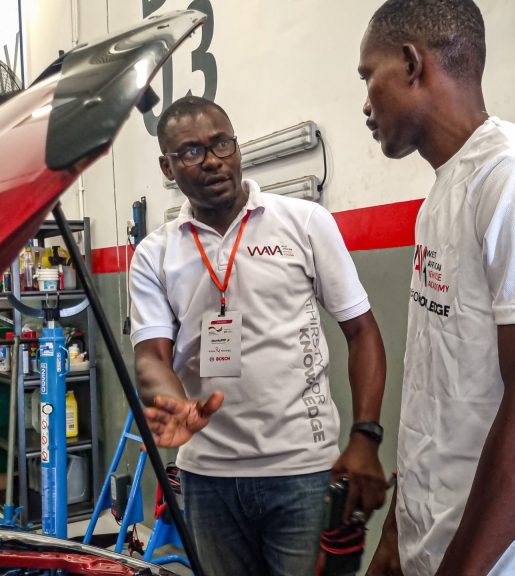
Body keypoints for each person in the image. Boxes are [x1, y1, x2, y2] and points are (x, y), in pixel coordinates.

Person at [358, 1, 515, 575]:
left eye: (369, 77)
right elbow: (434, 389)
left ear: (412, 64)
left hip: (510, 562)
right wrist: (396, 532)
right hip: (435, 542)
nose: (365, 103)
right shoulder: (444, 194)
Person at [129, 95, 389, 576]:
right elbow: (150, 355)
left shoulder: (304, 222)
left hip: (302, 469)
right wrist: (177, 403)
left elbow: (362, 331)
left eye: (221, 144)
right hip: (208, 476)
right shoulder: (154, 254)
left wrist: (365, 435)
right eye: (191, 151)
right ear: (167, 166)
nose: (212, 160)